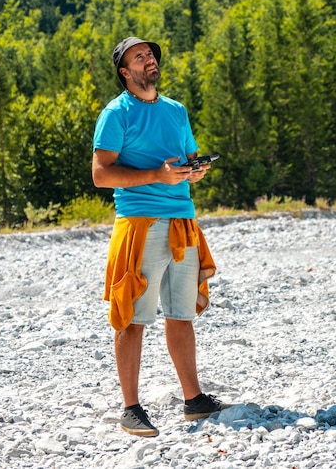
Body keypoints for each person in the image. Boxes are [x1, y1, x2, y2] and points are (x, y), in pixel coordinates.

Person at [92, 36, 228, 437]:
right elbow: (101, 174)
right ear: (125, 72)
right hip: (139, 225)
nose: (149, 59)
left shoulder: (176, 110)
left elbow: (186, 159)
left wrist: (194, 171)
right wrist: (156, 175)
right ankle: (131, 409)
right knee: (132, 318)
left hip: (182, 221)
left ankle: (194, 400)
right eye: (139, 56)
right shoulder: (116, 113)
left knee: (181, 315)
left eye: (150, 54)